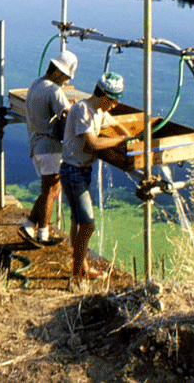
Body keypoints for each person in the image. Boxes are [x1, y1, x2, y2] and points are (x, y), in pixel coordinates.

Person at [59, 71, 132, 284]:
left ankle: (82, 267)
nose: (115, 105)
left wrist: (126, 136)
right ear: (104, 96)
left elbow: (120, 127)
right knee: (88, 225)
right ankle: (75, 276)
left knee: (76, 222)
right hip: (73, 171)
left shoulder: (99, 111)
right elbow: (92, 144)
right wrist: (119, 140)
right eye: (114, 100)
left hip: (81, 171)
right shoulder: (84, 109)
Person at [18, 50, 78, 248]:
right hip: (50, 147)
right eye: (67, 77)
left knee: (51, 190)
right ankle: (42, 235)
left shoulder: (35, 84)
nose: (67, 82)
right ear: (59, 73)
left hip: (36, 145)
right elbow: (70, 118)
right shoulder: (54, 91)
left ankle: (29, 225)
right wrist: (75, 108)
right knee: (50, 192)